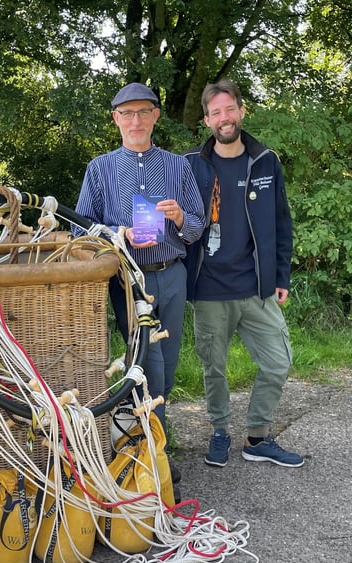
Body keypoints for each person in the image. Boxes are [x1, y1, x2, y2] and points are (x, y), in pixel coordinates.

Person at [73, 82, 206, 467]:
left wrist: (180, 217)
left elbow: (197, 227)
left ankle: (149, 443)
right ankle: (153, 453)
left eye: (143, 112)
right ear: (116, 119)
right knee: (147, 361)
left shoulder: (178, 166)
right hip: (127, 279)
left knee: (168, 357)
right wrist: (121, 234)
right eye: (127, 113)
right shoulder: (99, 169)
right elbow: (82, 231)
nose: (136, 120)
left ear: (155, 117)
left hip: (172, 274)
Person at [183, 79, 304, 469]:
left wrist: (280, 275)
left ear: (241, 110)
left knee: (277, 362)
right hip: (208, 289)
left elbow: (281, 223)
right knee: (213, 368)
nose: (224, 117)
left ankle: (257, 437)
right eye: (215, 112)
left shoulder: (265, 161)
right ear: (206, 119)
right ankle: (220, 431)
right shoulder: (189, 165)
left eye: (229, 109)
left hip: (256, 288)